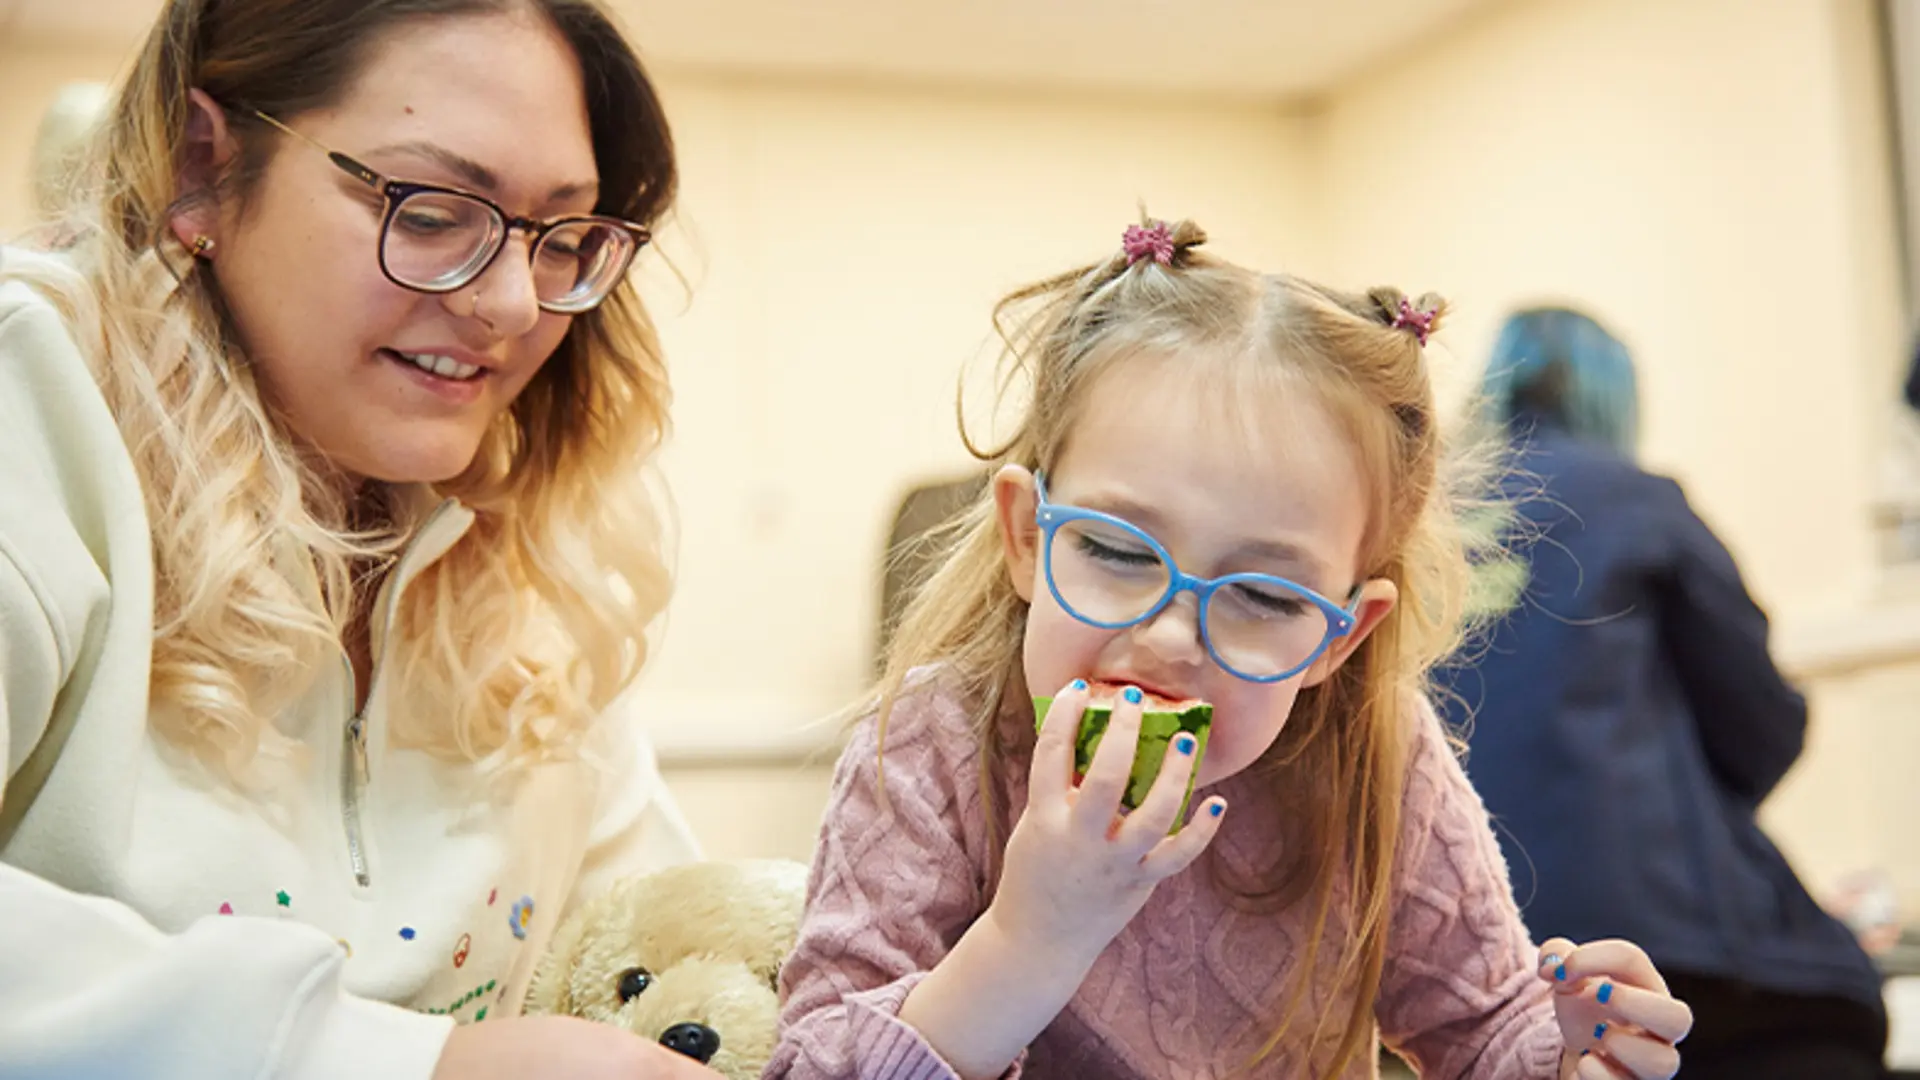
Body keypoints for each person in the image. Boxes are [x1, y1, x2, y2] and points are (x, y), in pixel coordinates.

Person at [767, 219, 1694, 1079]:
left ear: (1342, 633)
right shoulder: (935, 744)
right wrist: (1028, 938)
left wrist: (1572, 1056)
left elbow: (1488, 1026)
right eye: (1119, 552)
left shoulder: (1373, 750)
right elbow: (811, 1063)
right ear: (1024, 536)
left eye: (1261, 595)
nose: (1172, 635)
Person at [0, 1, 723, 1078]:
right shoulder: (34, 397)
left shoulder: (530, 533)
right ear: (204, 165)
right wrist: (410, 1064)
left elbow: (661, 934)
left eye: (562, 235)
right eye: (432, 211)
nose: (513, 302)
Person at [1434, 307, 1889, 1079]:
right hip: (1657, 943)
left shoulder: (1423, 518)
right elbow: (1763, 726)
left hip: (1462, 951)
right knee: (1840, 1012)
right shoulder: (1631, 498)